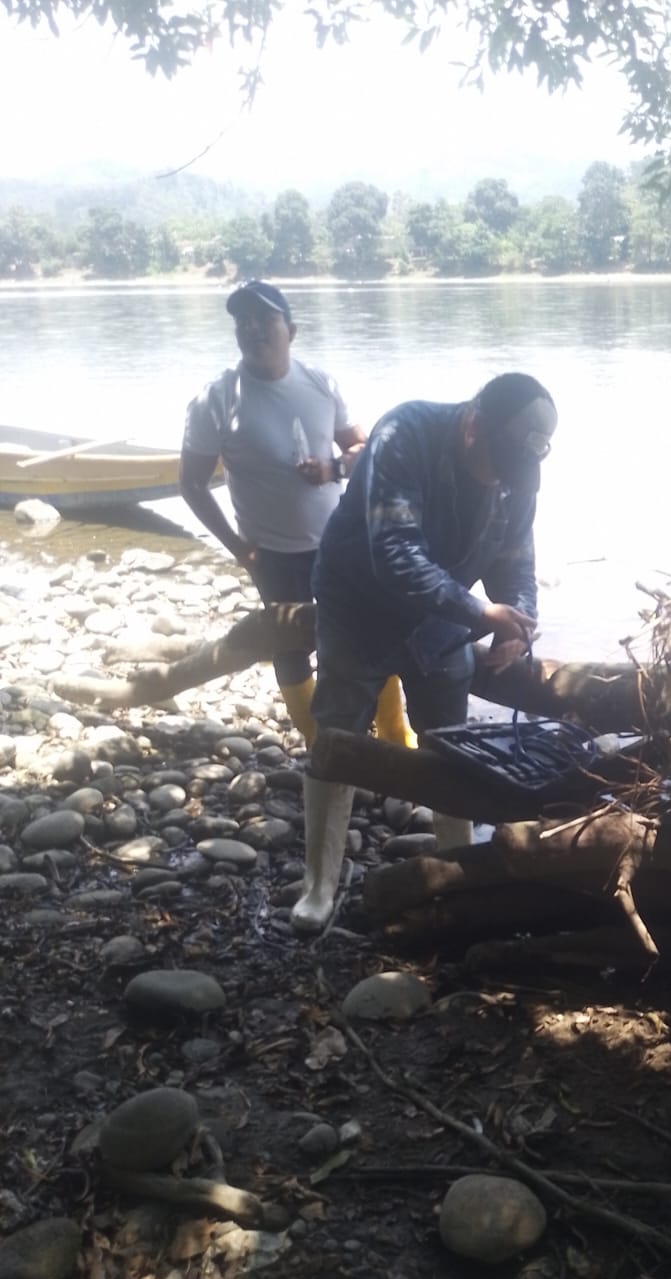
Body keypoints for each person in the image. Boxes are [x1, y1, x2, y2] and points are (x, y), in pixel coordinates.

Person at [291, 371, 558, 932]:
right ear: (473, 428)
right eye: (498, 463)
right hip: (357, 604)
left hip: (440, 615)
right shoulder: (404, 434)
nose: (503, 478)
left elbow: (517, 562)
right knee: (337, 730)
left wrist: (517, 623)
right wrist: (481, 613)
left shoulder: (516, 475)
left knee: (450, 736)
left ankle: (456, 868)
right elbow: (395, 555)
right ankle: (319, 884)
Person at [178, 280, 411, 747]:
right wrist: (237, 547)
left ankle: (394, 733)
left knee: (372, 630)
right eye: (243, 321)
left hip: (340, 542)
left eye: (265, 319)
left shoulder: (320, 384)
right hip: (272, 553)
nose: (253, 329)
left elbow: (364, 450)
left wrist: (333, 468)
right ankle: (320, 740)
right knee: (291, 648)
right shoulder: (216, 399)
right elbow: (191, 484)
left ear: (292, 329)